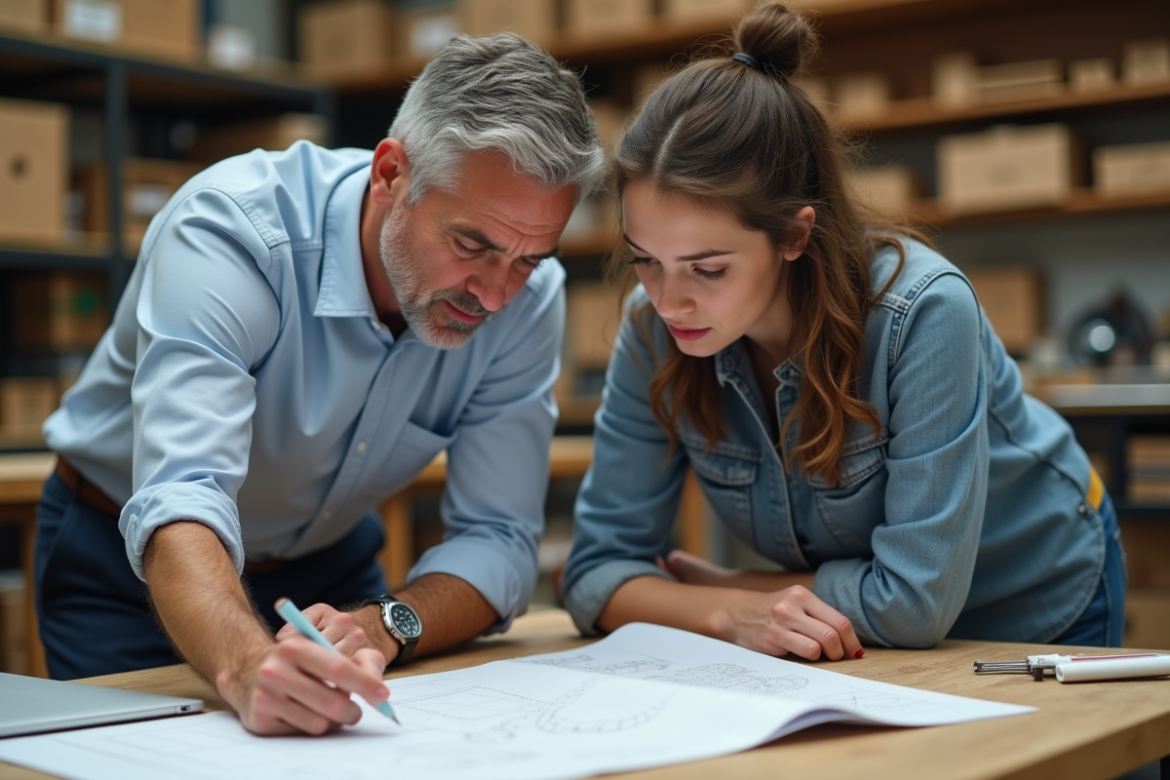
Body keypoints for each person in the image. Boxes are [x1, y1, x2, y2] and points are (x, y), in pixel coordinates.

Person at [36, 33, 604, 735]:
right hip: (136, 561)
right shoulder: (232, 232)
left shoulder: (530, 300)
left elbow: (498, 536)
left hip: (327, 572)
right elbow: (181, 496)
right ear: (391, 174)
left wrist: (388, 623)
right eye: (471, 245)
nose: (494, 295)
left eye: (527, 259)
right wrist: (247, 666)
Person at [562, 3, 1125, 661]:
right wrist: (728, 611)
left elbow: (913, 605)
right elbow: (594, 575)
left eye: (707, 269)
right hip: (849, 625)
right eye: (644, 260)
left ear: (794, 234)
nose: (667, 301)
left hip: (1033, 596)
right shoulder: (650, 328)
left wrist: (732, 590)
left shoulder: (925, 312)